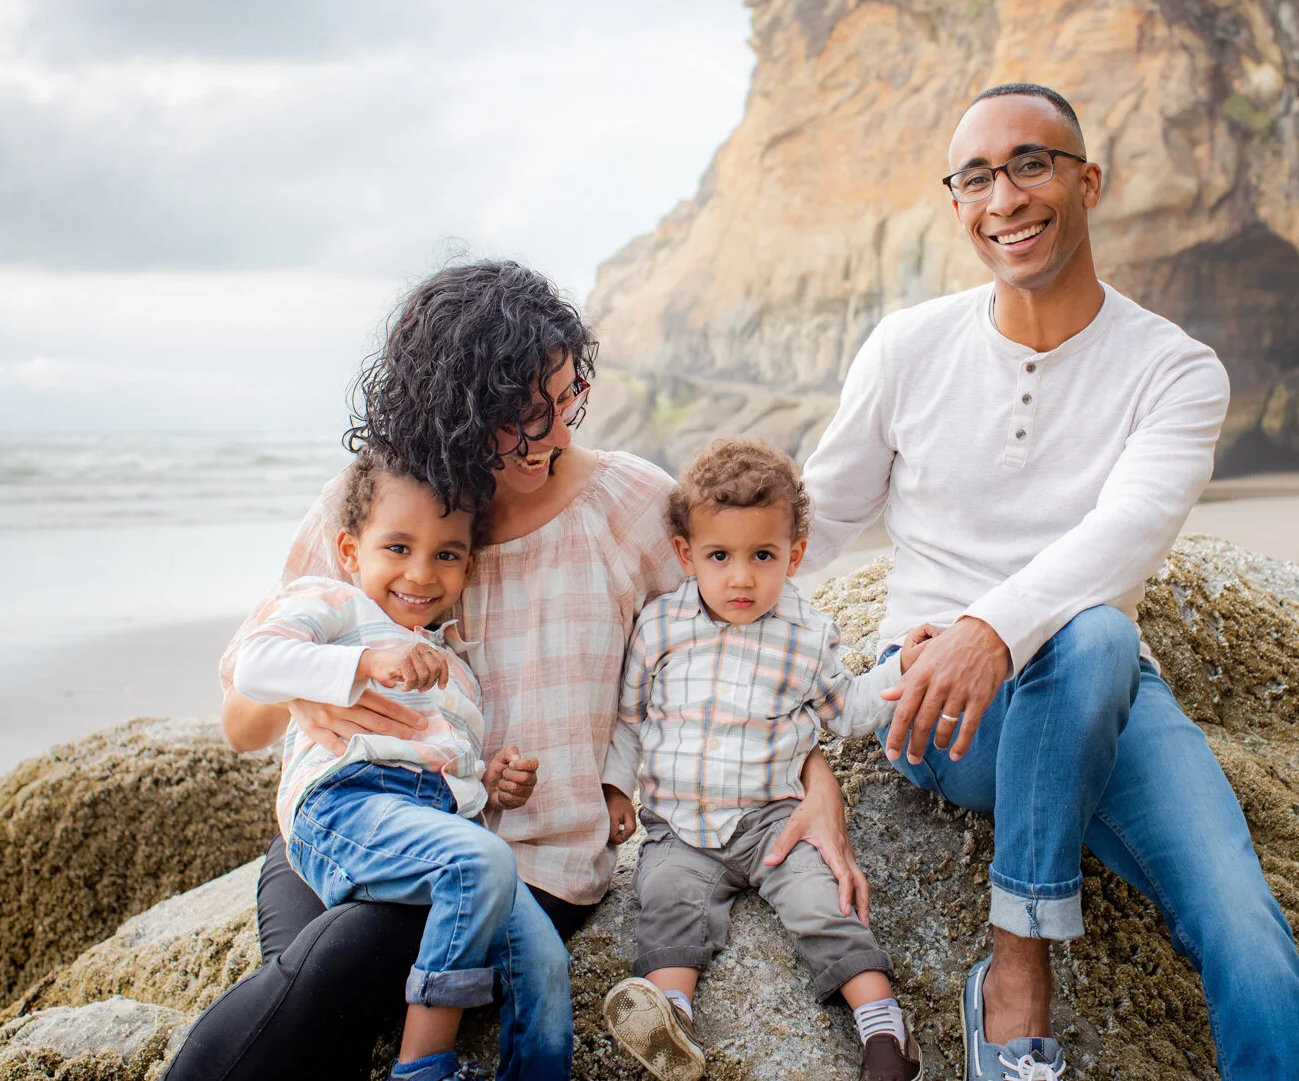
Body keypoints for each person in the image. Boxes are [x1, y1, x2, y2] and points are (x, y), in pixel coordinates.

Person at [164, 261, 869, 1081]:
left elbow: (749, 650)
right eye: (528, 416)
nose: (557, 433)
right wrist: (305, 690)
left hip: (528, 869)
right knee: (314, 1006)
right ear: (455, 411)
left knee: (331, 972)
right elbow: (241, 719)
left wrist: (816, 781)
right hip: (352, 825)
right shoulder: (371, 504)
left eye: (568, 399)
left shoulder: (629, 506)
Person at [801, 84, 1299, 1080]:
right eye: (975, 178)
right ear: (956, 204)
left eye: (1030, 165)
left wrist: (990, 628)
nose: (1003, 198)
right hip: (942, 704)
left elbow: (1125, 534)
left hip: (1101, 689)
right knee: (1095, 633)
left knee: (1245, 924)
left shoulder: (1174, 370)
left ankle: (1019, 966)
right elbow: (810, 522)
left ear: (1089, 182)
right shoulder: (907, 347)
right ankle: (1018, 974)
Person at [599, 440, 925, 1081]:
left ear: (794, 556)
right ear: (686, 554)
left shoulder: (806, 634)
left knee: (822, 903)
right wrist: (616, 789)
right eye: (720, 556)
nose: (741, 578)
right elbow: (631, 719)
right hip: (680, 827)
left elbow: (850, 710)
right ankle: (670, 1021)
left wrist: (902, 669)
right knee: (666, 901)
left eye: (763, 556)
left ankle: (884, 1031)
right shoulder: (660, 627)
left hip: (777, 820)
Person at [232, 449, 553, 1081]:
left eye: (447, 554)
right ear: (351, 552)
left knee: (543, 965)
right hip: (345, 803)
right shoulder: (334, 605)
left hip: (431, 818)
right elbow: (254, 665)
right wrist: (361, 664)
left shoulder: (453, 663)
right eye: (398, 548)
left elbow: (443, 763)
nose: (421, 573)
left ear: (469, 564)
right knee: (481, 862)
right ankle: (423, 1069)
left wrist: (489, 783)